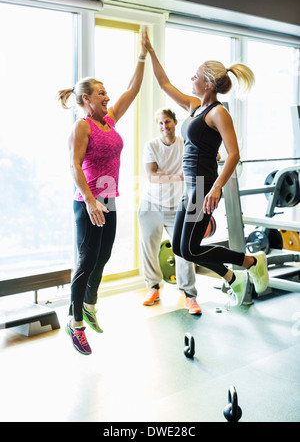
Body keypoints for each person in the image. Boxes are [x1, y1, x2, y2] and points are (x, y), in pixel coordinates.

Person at [142, 29, 269, 308]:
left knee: (189, 248)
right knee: (180, 248)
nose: (191, 79)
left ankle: (248, 264)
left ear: (209, 84)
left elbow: (234, 154)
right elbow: (164, 83)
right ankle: (236, 272)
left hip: (203, 186)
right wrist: (149, 51)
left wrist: (215, 188)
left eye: (196, 76)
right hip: (190, 188)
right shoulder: (195, 107)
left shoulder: (218, 113)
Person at [57, 35, 147, 355]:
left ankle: (89, 304)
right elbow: (73, 165)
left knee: (103, 255)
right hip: (88, 202)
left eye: (106, 91)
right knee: (85, 260)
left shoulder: (107, 121)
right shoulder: (82, 127)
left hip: (108, 198)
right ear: (86, 99)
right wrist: (91, 201)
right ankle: (75, 323)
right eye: (101, 93)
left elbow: (131, 91)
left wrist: (141, 57)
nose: (107, 96)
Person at [138, 108, 201, 315]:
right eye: (160, 123)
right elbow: (151, 176)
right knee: (149, 248)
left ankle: (190, 296)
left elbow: (200, 160)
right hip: (151, 205)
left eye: (167, 122)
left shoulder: (185, 144)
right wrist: (178, 176)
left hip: (177, 206)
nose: (164, 126)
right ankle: (153, 288)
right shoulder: (152, 146)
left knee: (184, 250)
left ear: (175, 122)